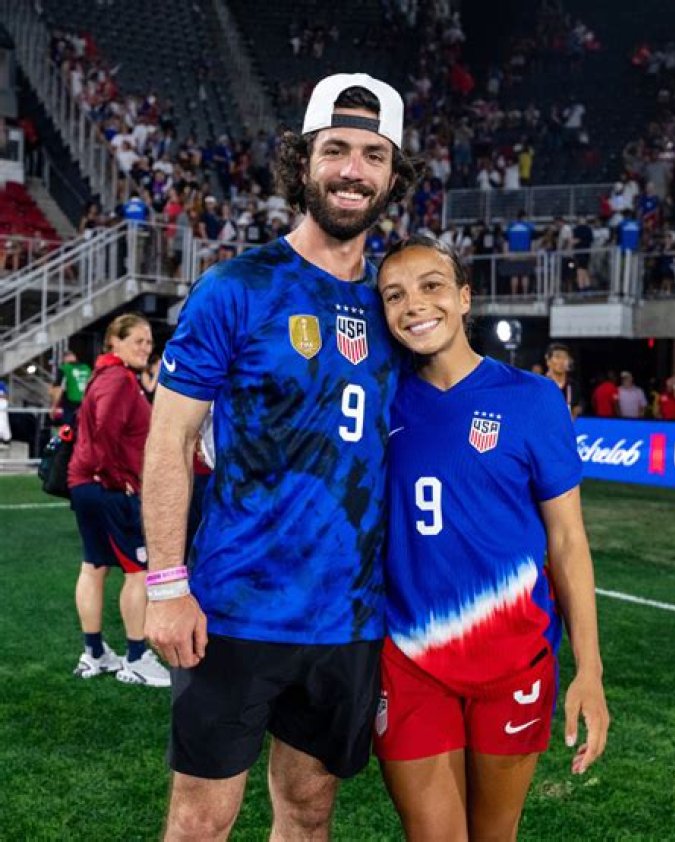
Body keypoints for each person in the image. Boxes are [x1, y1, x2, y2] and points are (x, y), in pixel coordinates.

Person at [141, 73, 417, 840]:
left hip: (348, 617)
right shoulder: (238, 286)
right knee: (201, 820)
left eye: (373, 155)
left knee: (309, 810)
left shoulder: (396, 308)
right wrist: (167, 585)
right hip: (234, 608)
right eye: (336, 150)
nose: (353, 170)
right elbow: (169, 440)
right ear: (303, 162)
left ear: (394, 176)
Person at [374, 236, 609, 840]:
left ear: (464, 298)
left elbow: (567, 541)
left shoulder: (533, 400)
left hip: (514, 662)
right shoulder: (378, 401)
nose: (414, 304)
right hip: (410, 660)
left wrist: (589, 671)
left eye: (431, 286)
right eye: (394, 295)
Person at [68, 313, 170, 688]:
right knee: (137, 571)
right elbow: (105, 433)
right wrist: (118, 480)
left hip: (87, 484)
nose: (146, 347)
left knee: (94, 567)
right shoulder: (119, 380)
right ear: (115, 341)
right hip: (106, 487)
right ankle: (137, 657)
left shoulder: (106, 375)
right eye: (138, 341)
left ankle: (95, 652)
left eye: (149, 342)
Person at [49, 350, 92, 426]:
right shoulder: (87, 368)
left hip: (70, 403)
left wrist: (54, 406)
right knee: (83, 426)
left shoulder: (64, 368)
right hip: (86, 403)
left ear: (65, 359)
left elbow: (58, 389)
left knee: (67, 426)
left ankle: (67, 432)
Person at [545, 342, 582, 418]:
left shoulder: (573, 386)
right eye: (557, 357)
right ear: (548, 361)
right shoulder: (542, 386)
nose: (561, 361)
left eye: (565, 357)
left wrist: (576, 411)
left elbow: (578, 406)